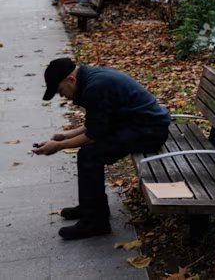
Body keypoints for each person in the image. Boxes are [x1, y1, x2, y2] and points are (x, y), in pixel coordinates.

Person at [33, 58, 171, 240]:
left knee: (90, 155)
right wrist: (66, 136)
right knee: (88, 154)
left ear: (71, 80)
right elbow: (98, 123)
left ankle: (95, 222)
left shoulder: (95, 87)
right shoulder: (91, 79)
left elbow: (93, 135)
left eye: (60, 91)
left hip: (149, 131)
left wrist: (58, 146)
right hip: (138, 125)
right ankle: (91, 208)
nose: (63, 96)